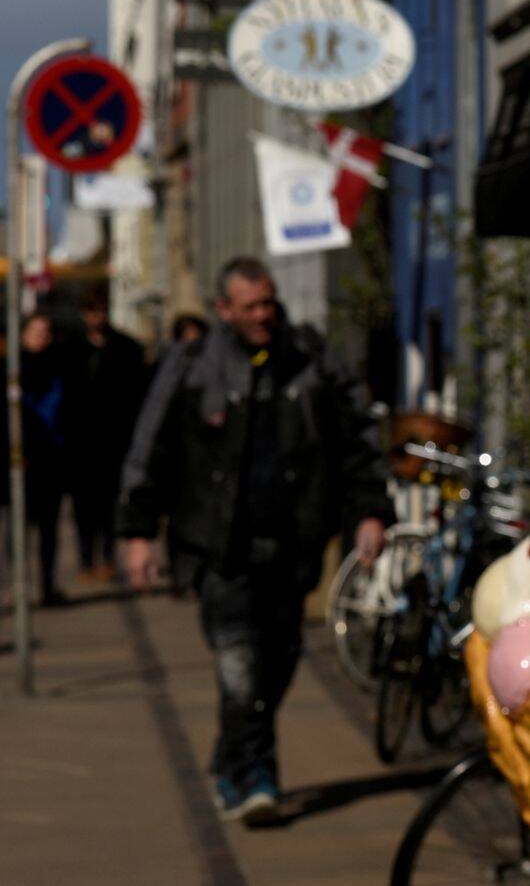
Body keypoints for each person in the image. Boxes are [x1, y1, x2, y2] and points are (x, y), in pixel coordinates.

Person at [118, 257, 391, 825]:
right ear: (225, 310)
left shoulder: (310, 360)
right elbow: (151, 448)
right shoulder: (194, 366)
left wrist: (368, 512)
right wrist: (138, 531)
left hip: (291, 545)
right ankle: (258, 776)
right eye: (251, 307)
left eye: (268, 303)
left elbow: (358, 443)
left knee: (280, 661)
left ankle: (227, 757)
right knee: (239, 665)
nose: (264, 315)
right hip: (218, 549)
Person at [69, 290, 151, 582]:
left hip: (115, 441)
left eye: (100, 310)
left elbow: (137, 396)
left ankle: (107, 558)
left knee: (108, 504)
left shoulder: (125, 348)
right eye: (90, 310)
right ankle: (86, 558)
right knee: (83, 507)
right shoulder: (72, 348)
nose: (96, 316)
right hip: (79, 442)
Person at [19, 312, 72, 607]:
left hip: (52, 458)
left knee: (49, 528)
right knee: (17, 530)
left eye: (45, 331)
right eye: (35, 331)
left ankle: (47, 585)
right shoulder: (13, 366)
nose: (41, 337)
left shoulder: (59, 365)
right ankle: (18, 586)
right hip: (20, 461)